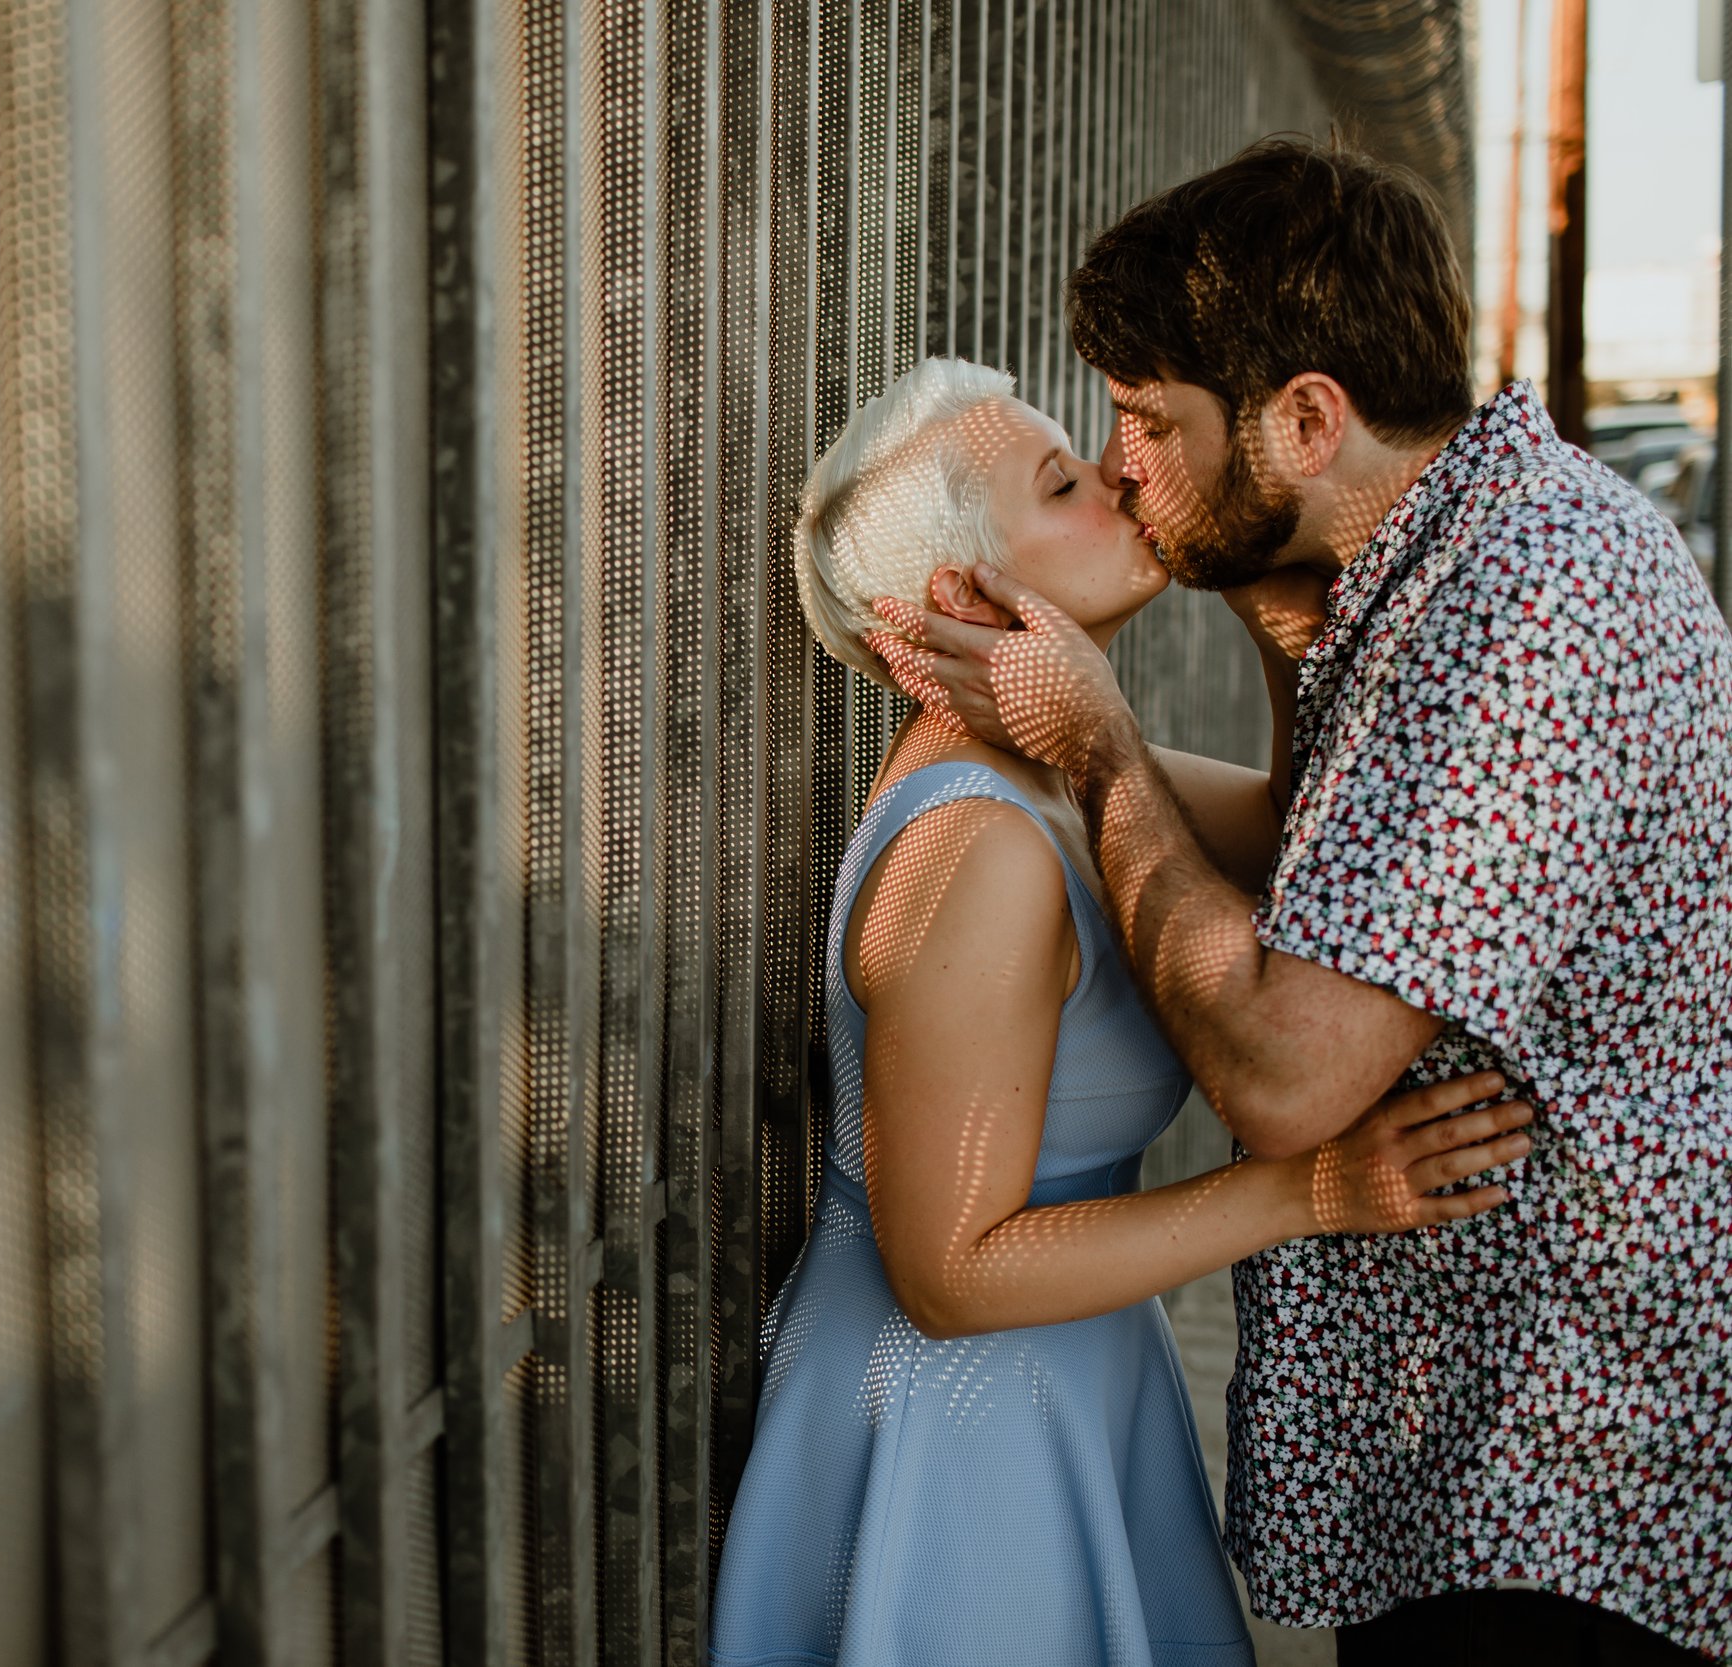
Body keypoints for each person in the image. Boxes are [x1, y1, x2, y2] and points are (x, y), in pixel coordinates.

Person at [871, 140, 1732, 1664]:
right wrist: (1175, 641)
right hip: (1478, 1433)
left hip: (1558, 1469)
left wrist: (1100, 744)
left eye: (1150, 422)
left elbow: (1287, 1074)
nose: (1123, 463)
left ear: (1309, 419)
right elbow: (1314, 855)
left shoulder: (1524, 617)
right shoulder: (1443, 554)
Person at [704, 354, 1534, 1667]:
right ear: (964, 598)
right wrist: (1313, 1191)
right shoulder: (974, 848)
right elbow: (951, 1276)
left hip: (1067, 1368)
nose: (1118, 480)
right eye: (1064, 483)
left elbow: (1282, 831)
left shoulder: (1042, 771)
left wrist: (1262, 579)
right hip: (965, 1422)